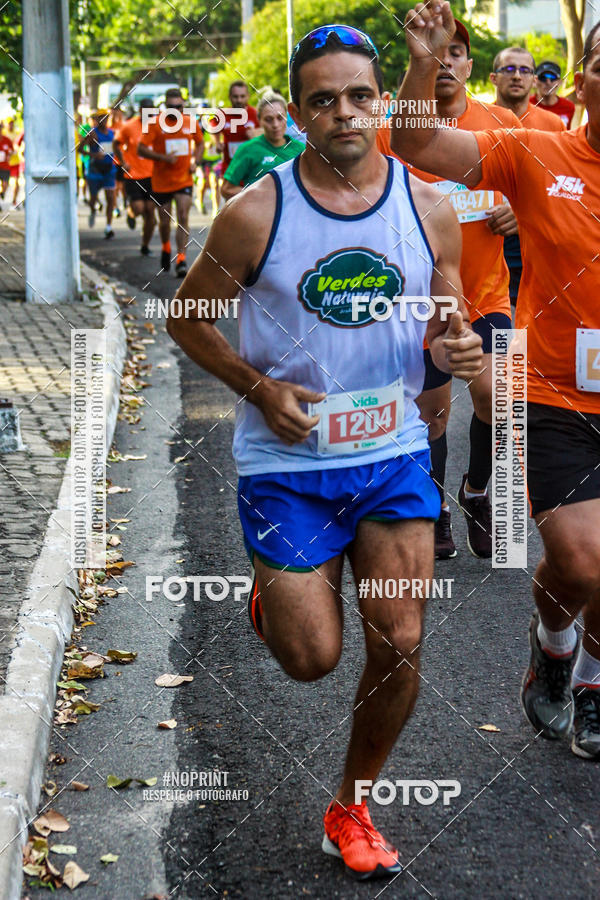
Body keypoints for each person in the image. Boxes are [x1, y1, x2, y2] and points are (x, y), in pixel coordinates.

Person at [168, 24, 483, 878]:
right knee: (312, 659)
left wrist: (457, 350)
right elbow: (186, 318)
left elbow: (450, 319)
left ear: (381, 101)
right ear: (299, 113)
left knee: (401, 639)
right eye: (322, 99)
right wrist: (259, 388)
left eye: (358, 94)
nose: (343, 112)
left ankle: (353, 802)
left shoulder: (429, 207)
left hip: (391, 457)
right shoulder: (255, 213)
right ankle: (279, 602)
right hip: (288, 465)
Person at [395, 2, 600, 760]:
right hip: (545, 384)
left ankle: (590, 679)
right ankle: (552, 642)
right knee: (580, 560)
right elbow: (411, 139)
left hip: (489, 307)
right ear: (582, 80)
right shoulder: (536, 147)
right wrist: (422, 60)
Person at [378, 19, 520, 560]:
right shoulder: (395, 130)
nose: (444, 63)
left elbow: (543, 190)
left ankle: (478, 492)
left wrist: (520, 213)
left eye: (455, 53)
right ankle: (434, 509)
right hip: (419, 302)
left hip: (488, 295)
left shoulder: (499, 122)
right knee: (431, 415)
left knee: (500, 400)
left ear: (467, 65)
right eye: (435, 53)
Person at [490, 47, 564, 306]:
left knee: (526, 323)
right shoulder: (478, 119)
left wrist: (520, 212)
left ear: (534, 80)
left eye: (525, 70)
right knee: (499, 337)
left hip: (536, 243)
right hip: (487, 239)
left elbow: (561, 185)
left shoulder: (554, 125)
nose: (517, 76)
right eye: (509, 69)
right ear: (493, 78)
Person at [138, 87, 204, 276]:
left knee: (183, 216)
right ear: (165, 106)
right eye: (171, 107)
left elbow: (200, 143)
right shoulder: (155, 124)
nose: (175, 111)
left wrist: (195, 162)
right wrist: (162, 157)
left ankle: (181, 259)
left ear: (183, 106)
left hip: (184, 179)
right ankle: (166, 247)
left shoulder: (190, 122)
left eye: (179, 107)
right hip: (161, 181)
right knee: (165, 221)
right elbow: (141, 149)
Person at [220, 92, 304, 200]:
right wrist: (261, 196)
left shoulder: (301, 149)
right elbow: (226, 189)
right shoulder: (248, 149)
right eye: (268, 119)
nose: (275, 125)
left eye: (280, 118)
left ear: (287, 118)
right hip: (259, 215)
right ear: (259, 121)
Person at [113, 97, 156, 255]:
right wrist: (123, 161)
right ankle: (131, 214)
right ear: (140, 111)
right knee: (139, 208)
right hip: (133, 175)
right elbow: (116, 143)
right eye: (146, 110)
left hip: (153, 176)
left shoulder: (157, 127)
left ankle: (145, 246)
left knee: (150, 212)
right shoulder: (129, 126)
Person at [79, 110, 117, 237]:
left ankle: (108, 227)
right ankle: (93, 209)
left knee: (111, 198)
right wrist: (94, 155)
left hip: (109, 169)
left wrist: (121, 161)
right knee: (93, 198)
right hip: (95, 169)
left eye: (106, 118)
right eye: (101, 118)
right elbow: (80, 149)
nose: (104, 121)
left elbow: (117, 149)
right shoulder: (93, 133)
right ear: (97, 119)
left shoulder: (112, 133)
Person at [218, 81, 259, 174]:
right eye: (235, 97)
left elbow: (266, 136)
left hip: (250, 170)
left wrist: (255, 136)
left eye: (242, 96)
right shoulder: (223, 115)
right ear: (229, 96)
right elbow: (212, 126)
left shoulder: (256, 114)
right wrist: (217, 142)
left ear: (248, 96)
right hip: (230, 169)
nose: (239, 100)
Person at [530, 60, 576, 128]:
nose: (548, 82)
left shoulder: (569, 107)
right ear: (535, 81)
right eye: (543, 78)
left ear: (559, 82)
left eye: (553, 78)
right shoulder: (526, 105)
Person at [0, 122, 14, 203]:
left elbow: (12, 150)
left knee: (5, 184)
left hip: (5, 166)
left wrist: (9, 155)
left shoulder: (6, 140)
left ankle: (2, 193)